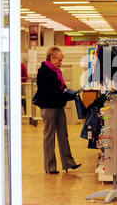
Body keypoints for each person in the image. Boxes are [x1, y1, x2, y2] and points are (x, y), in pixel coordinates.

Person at [32, 46, 81, 174]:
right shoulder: (43, 72)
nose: (60, 63)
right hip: (48, 107)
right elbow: (48, 92)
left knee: (63, 135)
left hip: (58, 105)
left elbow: (60, 87)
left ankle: (68, 163)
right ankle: (50, 166)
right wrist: (65, 95)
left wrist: (67, 91)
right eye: (59, 60)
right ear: (52, 58)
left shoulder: (56, 71)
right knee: (49, 137)